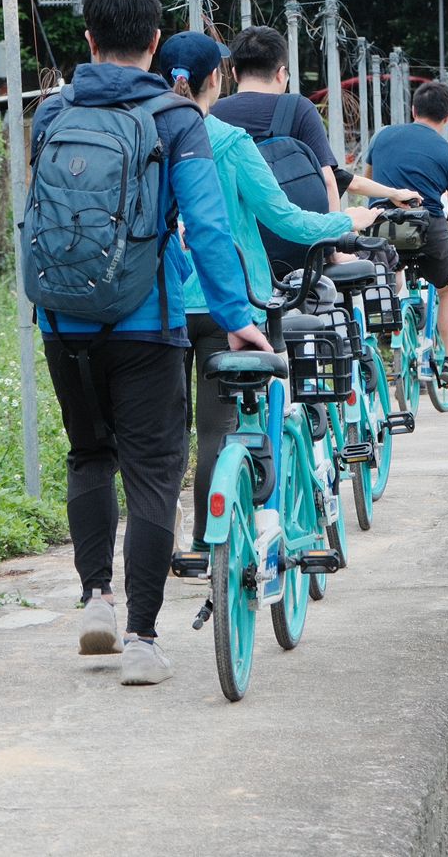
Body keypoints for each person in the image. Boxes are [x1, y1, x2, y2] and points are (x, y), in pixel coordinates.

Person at [29, 0, 269, 688]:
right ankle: (139, 638)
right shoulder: (175, 117)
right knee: (155, 472)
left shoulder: (51, 112)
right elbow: (208, 225)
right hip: (149, 320)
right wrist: (237, 320)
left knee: (88, 454)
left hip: (63, 318)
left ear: (88, 39)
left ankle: (95, 597)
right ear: (157, 43)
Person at [151, 31, 378, 548]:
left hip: (160, 303)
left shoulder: (146, 137)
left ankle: (166, 548)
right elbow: (287, 219)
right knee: (219, 429)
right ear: (218, 78)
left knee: (165, 441)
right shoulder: (230, 142)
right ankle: (216, 548)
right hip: (233, 306)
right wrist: (346, 222)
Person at [210, 25, 423, 212]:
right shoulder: (296, 108)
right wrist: (335, 245)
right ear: (281, 73)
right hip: (290, 239)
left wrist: (392, 193)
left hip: (234, 238)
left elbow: (341, 178)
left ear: (235, 73)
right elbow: (330, 181)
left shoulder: (213, 113)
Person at [366, 81, 448, 389]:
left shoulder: (381, 137)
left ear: (413, 110)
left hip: (383, 224)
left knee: (389, 270)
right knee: (447, 288)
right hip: (427, 229)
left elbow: (369, 184)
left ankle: (386, 332)